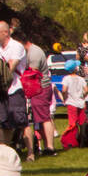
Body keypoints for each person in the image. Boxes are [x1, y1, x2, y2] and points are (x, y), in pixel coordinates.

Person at [19, 29, 55, 159]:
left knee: (44, 117)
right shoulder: (33, 50)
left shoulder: (34, 53)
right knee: (41, 118)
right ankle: (47, 145)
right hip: (38, 89)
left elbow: (32, 74)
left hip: (40, 88)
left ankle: (49, 146)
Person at [0, 21, 28, 145]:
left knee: (21, 122)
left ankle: (30, 152)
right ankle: (7, 149)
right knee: (5, 123)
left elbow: (11, 67)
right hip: (3, 90)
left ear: (5, 33)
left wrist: (0, 69)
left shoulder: (16, 46)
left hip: (16, 88)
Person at [60, 59, 87, 139]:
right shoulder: (81, 79)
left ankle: (72, 139)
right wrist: (83, 96)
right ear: (76, 68)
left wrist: (64, 98)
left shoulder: (66, 78)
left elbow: (64, 90)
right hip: (81, 103)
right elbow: (86, 90)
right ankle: (83, 138)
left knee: (72, 123)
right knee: (82, 122)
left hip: (71, 102)